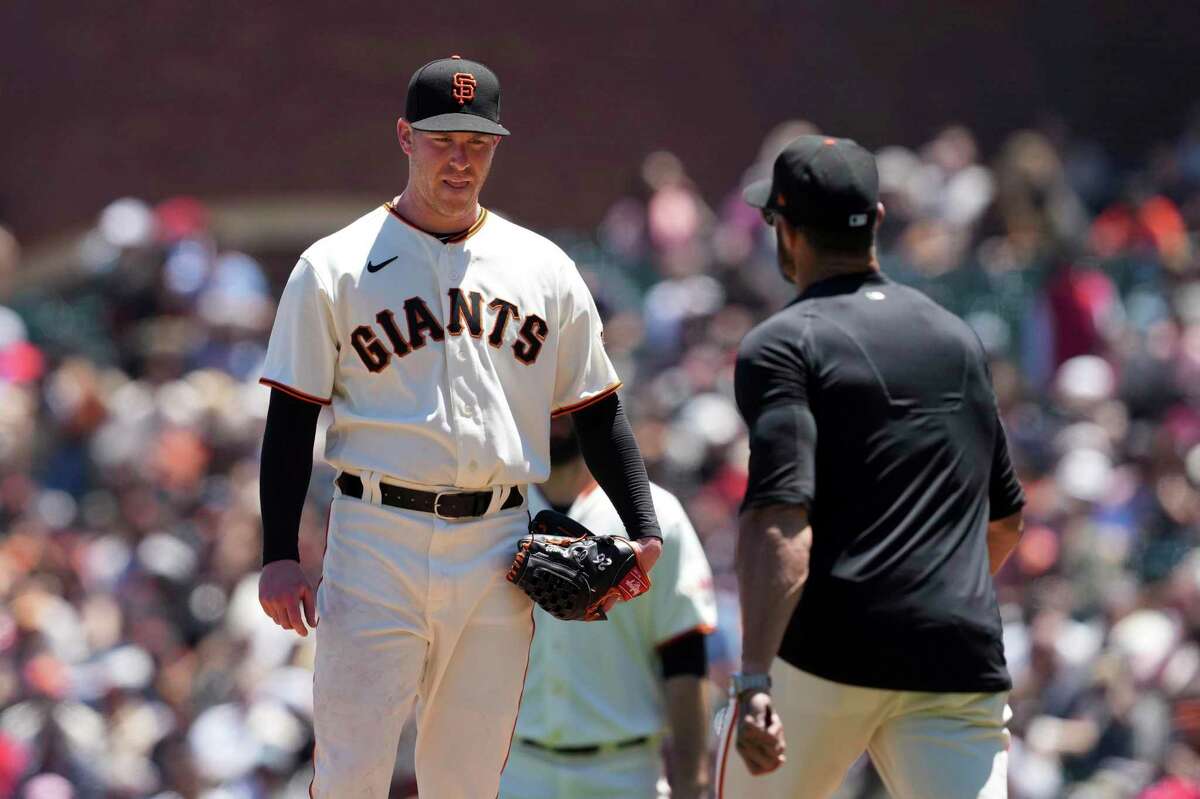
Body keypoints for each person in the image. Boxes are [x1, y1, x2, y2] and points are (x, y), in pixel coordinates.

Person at [254, 55, 663, 798]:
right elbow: (291, 418)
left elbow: (597, 409)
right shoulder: (334, 266)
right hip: (377, 532)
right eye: (443, 139)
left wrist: (644, 523)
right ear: (405, 138)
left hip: (498, 539)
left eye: (478, 142)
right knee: (351, 769)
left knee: (466, 778)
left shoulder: (543, 267)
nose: (460, 158)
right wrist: (279, 550)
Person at [716, 134, 1026, 798]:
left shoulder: (783, 343)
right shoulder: (956, 337)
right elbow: (1004, 521)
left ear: (786, 231)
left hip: (828, 650)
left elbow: (781, 520)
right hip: (956, 653)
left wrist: (753, 679)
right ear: (879, 220)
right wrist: (927, 601)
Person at [499, 416, 719, 799]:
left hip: (626, 774)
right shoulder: (489, 514)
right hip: (510, 767)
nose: (556, 413)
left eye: (569, 396)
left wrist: (694, 783)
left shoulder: (656, 516)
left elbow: (685, 657)